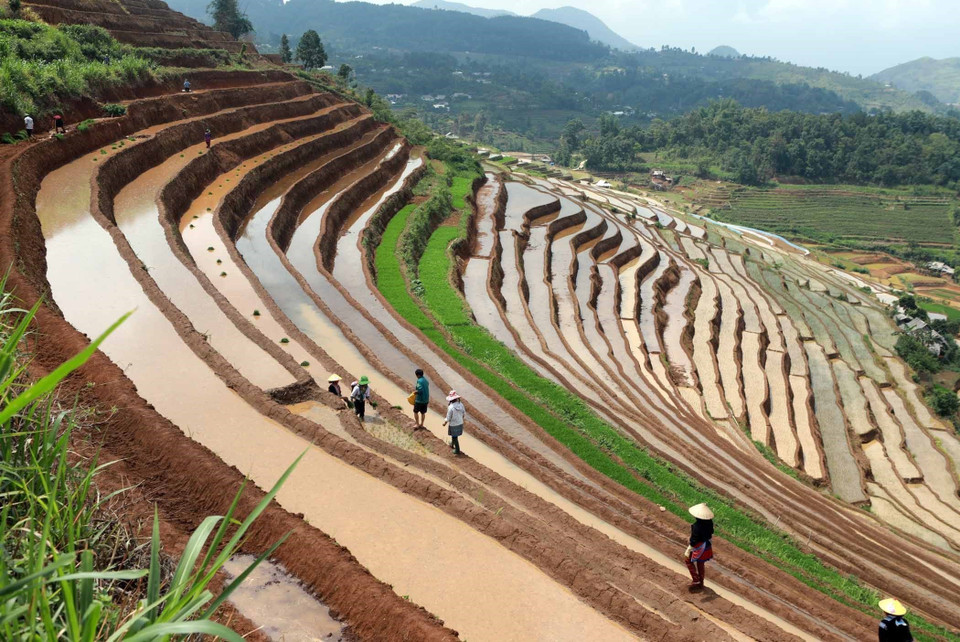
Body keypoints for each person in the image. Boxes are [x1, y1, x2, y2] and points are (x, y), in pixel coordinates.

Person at [684, 503, 714, 591]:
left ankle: (695, 579)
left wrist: (689, 548)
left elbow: (694, 540)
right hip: (707, 545)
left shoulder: (696, 526)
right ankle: (701, 583)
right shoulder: (709, 522)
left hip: (699, 546)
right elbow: (711, 532)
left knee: (687, 559)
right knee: (701, 564)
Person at [441, 390, 465, 455]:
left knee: (454, 436)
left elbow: (448, 417)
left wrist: (445, 423)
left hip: (453, 424)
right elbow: (463, 413)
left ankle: (457, 450)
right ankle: (452, 444)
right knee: (455, 435)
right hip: (460, 423)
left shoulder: (451, 407)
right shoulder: (461, 404)